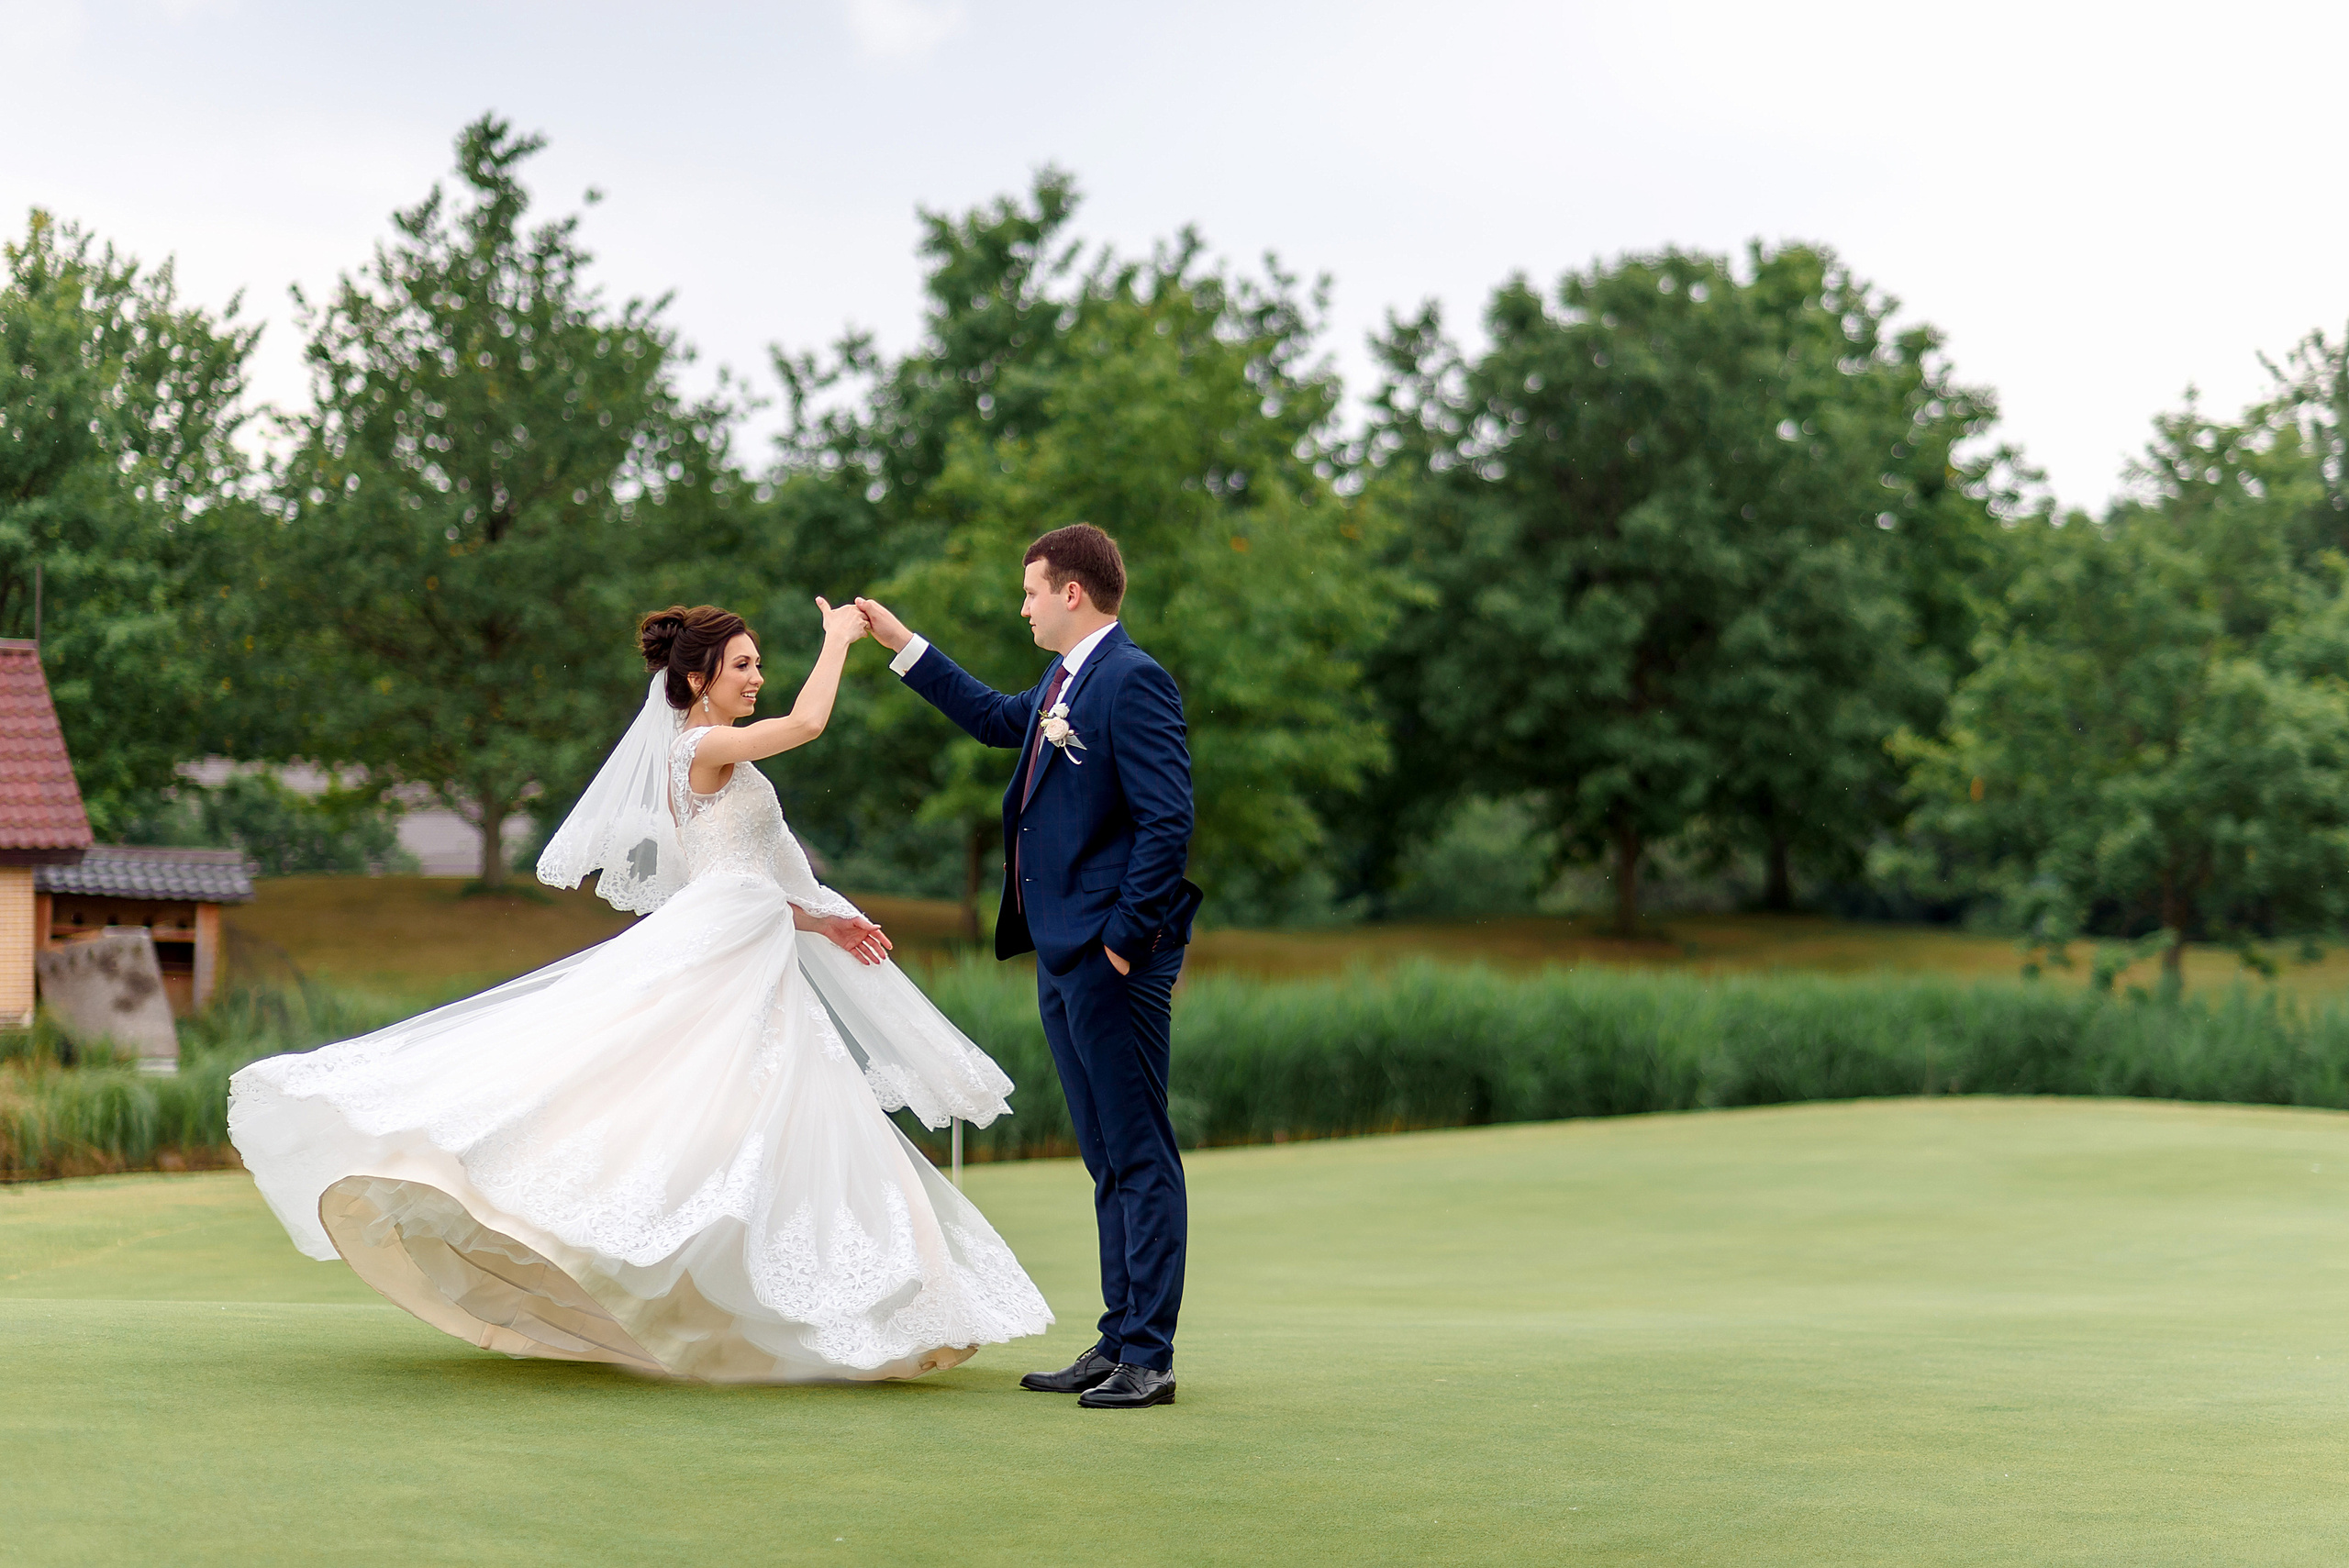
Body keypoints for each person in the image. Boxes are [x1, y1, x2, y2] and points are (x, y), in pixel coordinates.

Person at [228, 599, 1052, 1383]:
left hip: (750, 940)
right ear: (699, 679)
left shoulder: (713, 750)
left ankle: (834, 1309)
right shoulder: (697, 748)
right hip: (724, 952)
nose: (756, 676)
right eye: (743, 664)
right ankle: (766, 1302)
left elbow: (738, 874)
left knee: (771, 1116)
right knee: (682, 1102)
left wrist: (818, 920)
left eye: (760, 663)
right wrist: (839, 638)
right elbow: (806, 726)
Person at [858, 523, 1201, 1410]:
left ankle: (1150, 1357)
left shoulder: (1134, 680)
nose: (1024, 605)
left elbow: (1168, 821)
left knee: (1139, 1153)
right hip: (1063, 950)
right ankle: (1118, 1334)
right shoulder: (1061, 682)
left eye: (1032, 590)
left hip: (1111, 956)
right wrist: (903, 645)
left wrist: (1122, 938)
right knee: (1104, 1156)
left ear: (1073, 593)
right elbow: (989, 717)